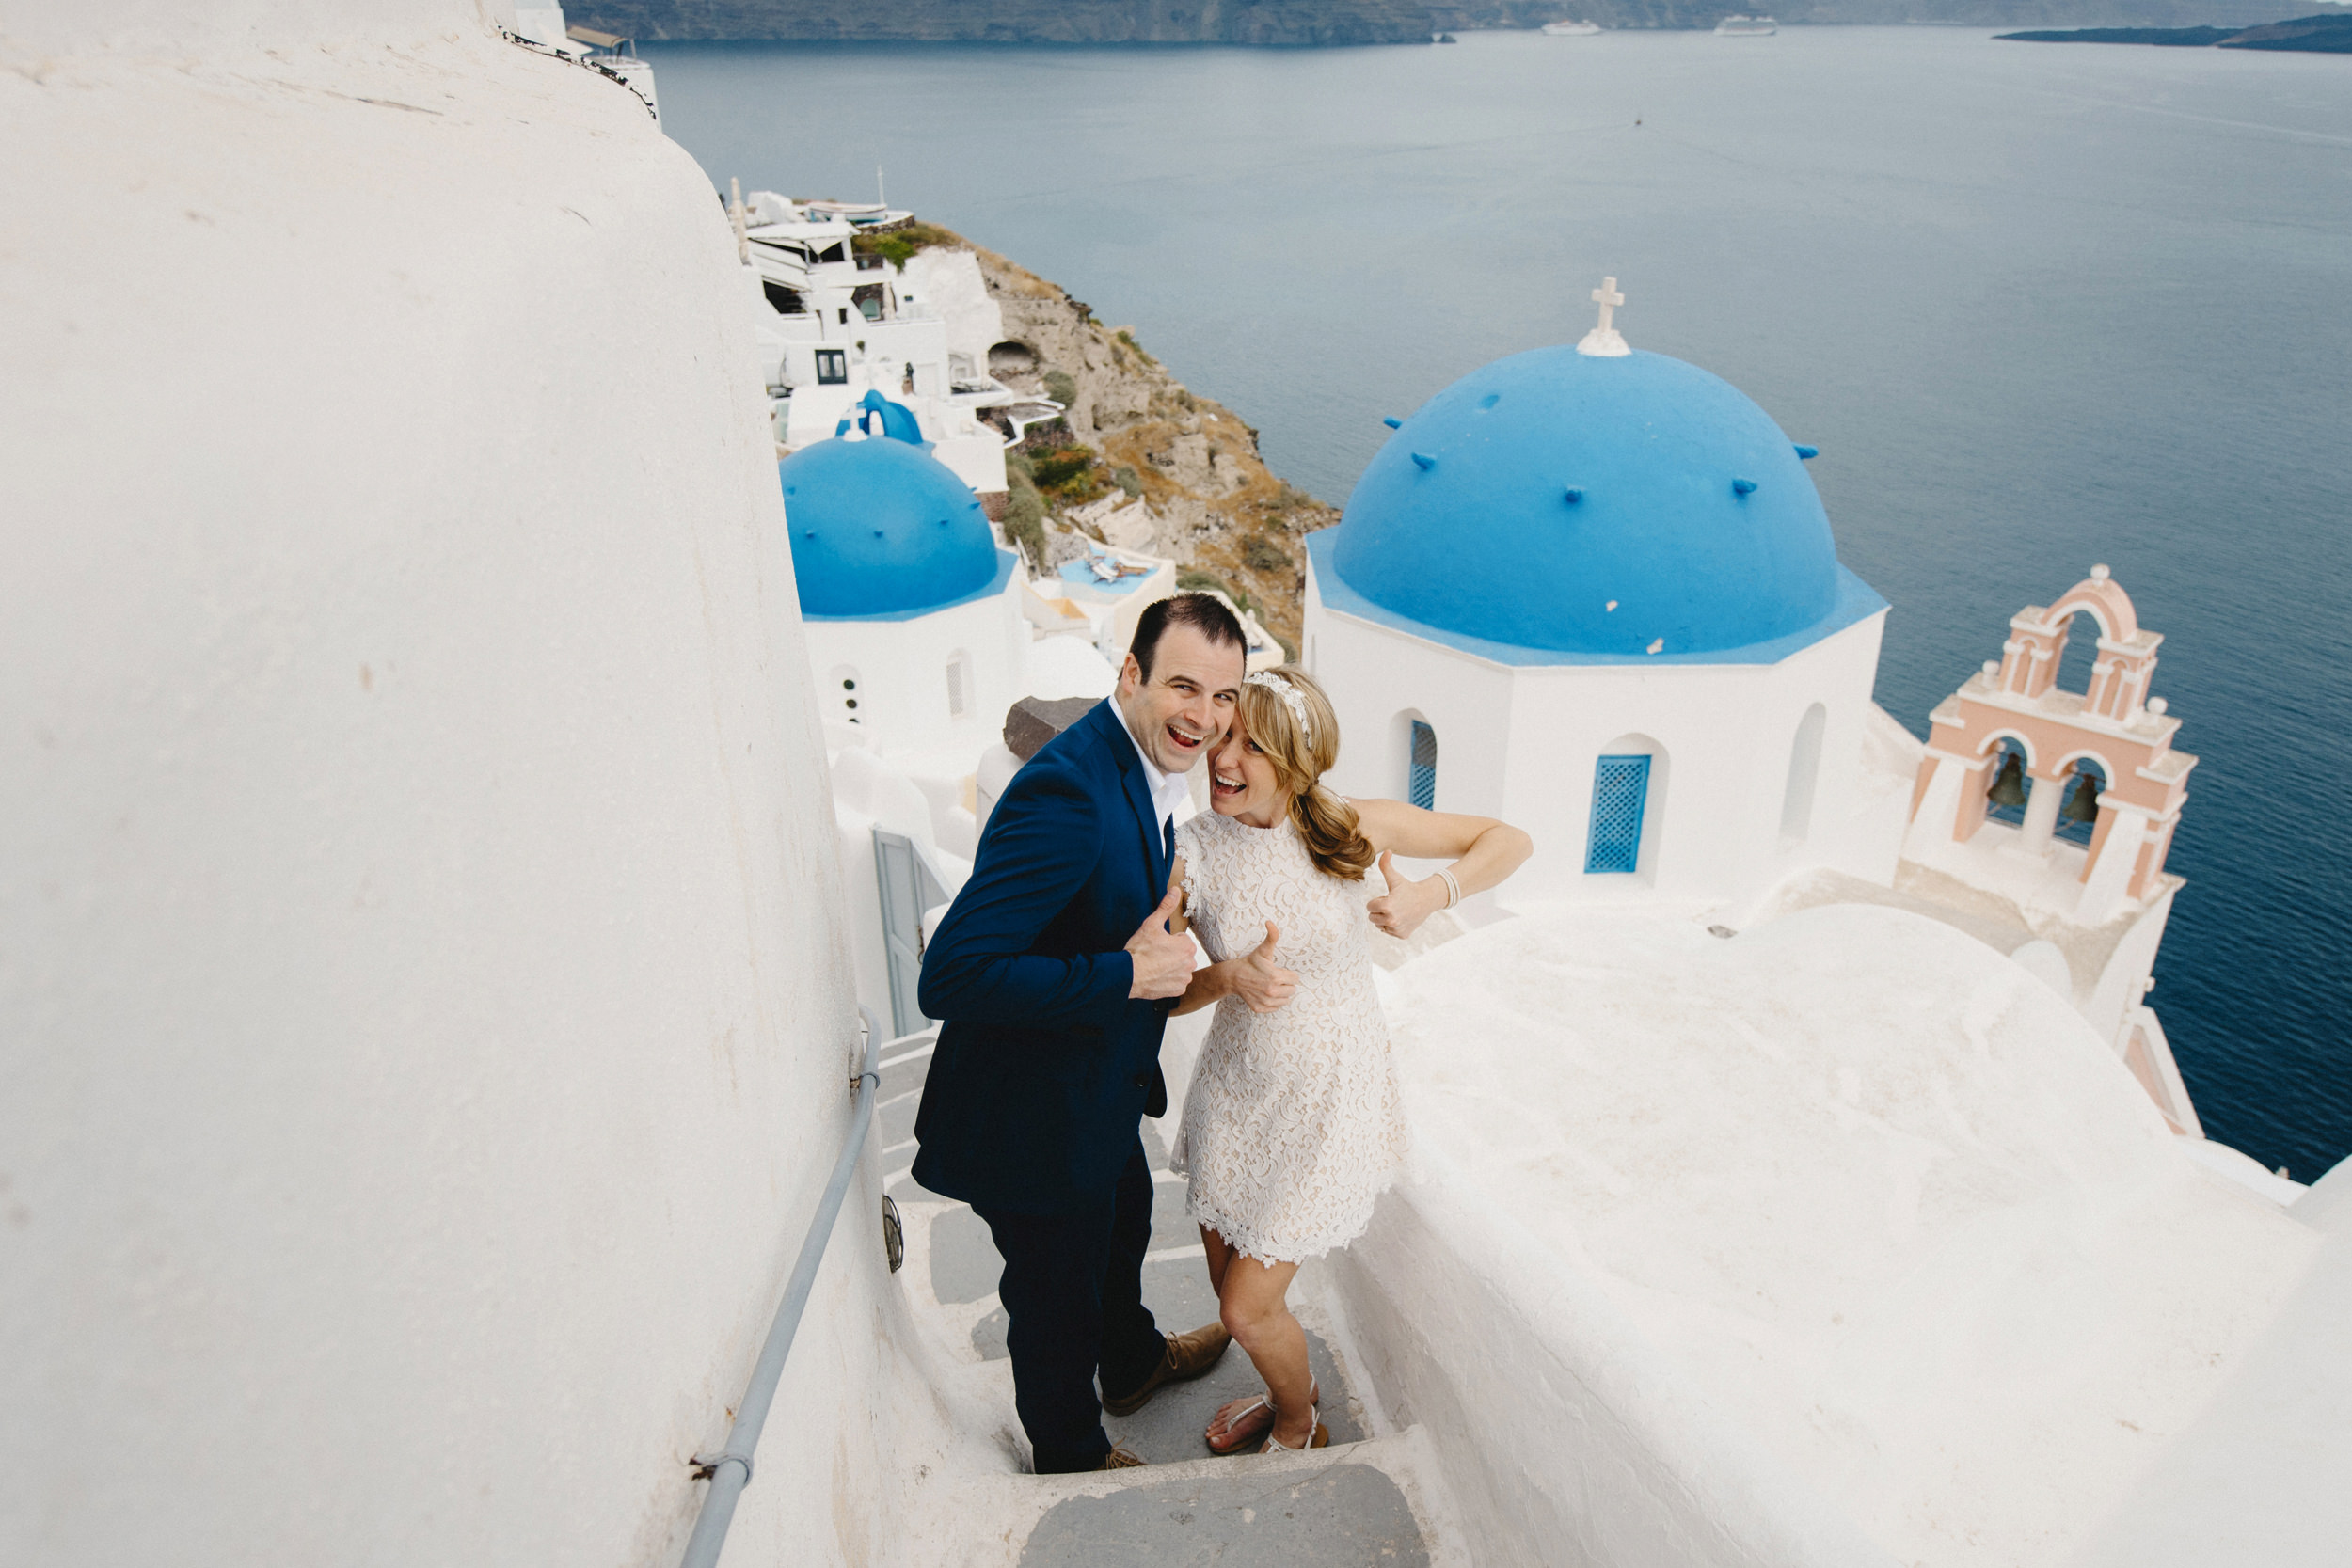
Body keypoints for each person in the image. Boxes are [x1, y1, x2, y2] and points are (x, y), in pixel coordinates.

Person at [912, 594, 1248, 1474]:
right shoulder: (1069, 792)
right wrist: (1127, 975)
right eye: (1182, 686)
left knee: (1127, 1215)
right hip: (1032, 1117)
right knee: (1054, 1298)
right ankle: (1071, 1453)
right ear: (1129, 673)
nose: (1204, 717)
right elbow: (950, 974)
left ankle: (1131, 1363)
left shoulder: (1140, 766)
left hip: (1094, 1089)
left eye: (1224, 697)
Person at [1168, 667, 1532, 1454]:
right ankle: (1285, 1389)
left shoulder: (1348, 822)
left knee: (1245, 1310)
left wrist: (1432, 896)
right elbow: (1153, 991)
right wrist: (1225, 977)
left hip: (1330, 1097)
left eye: (1252, 745)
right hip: (1237, 1091)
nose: (1223, 756)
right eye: (1223, 733)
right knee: (1227, 1282)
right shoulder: (1190, 852)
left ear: (1298, 761)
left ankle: (1299, 1424)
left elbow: (1509, 840)